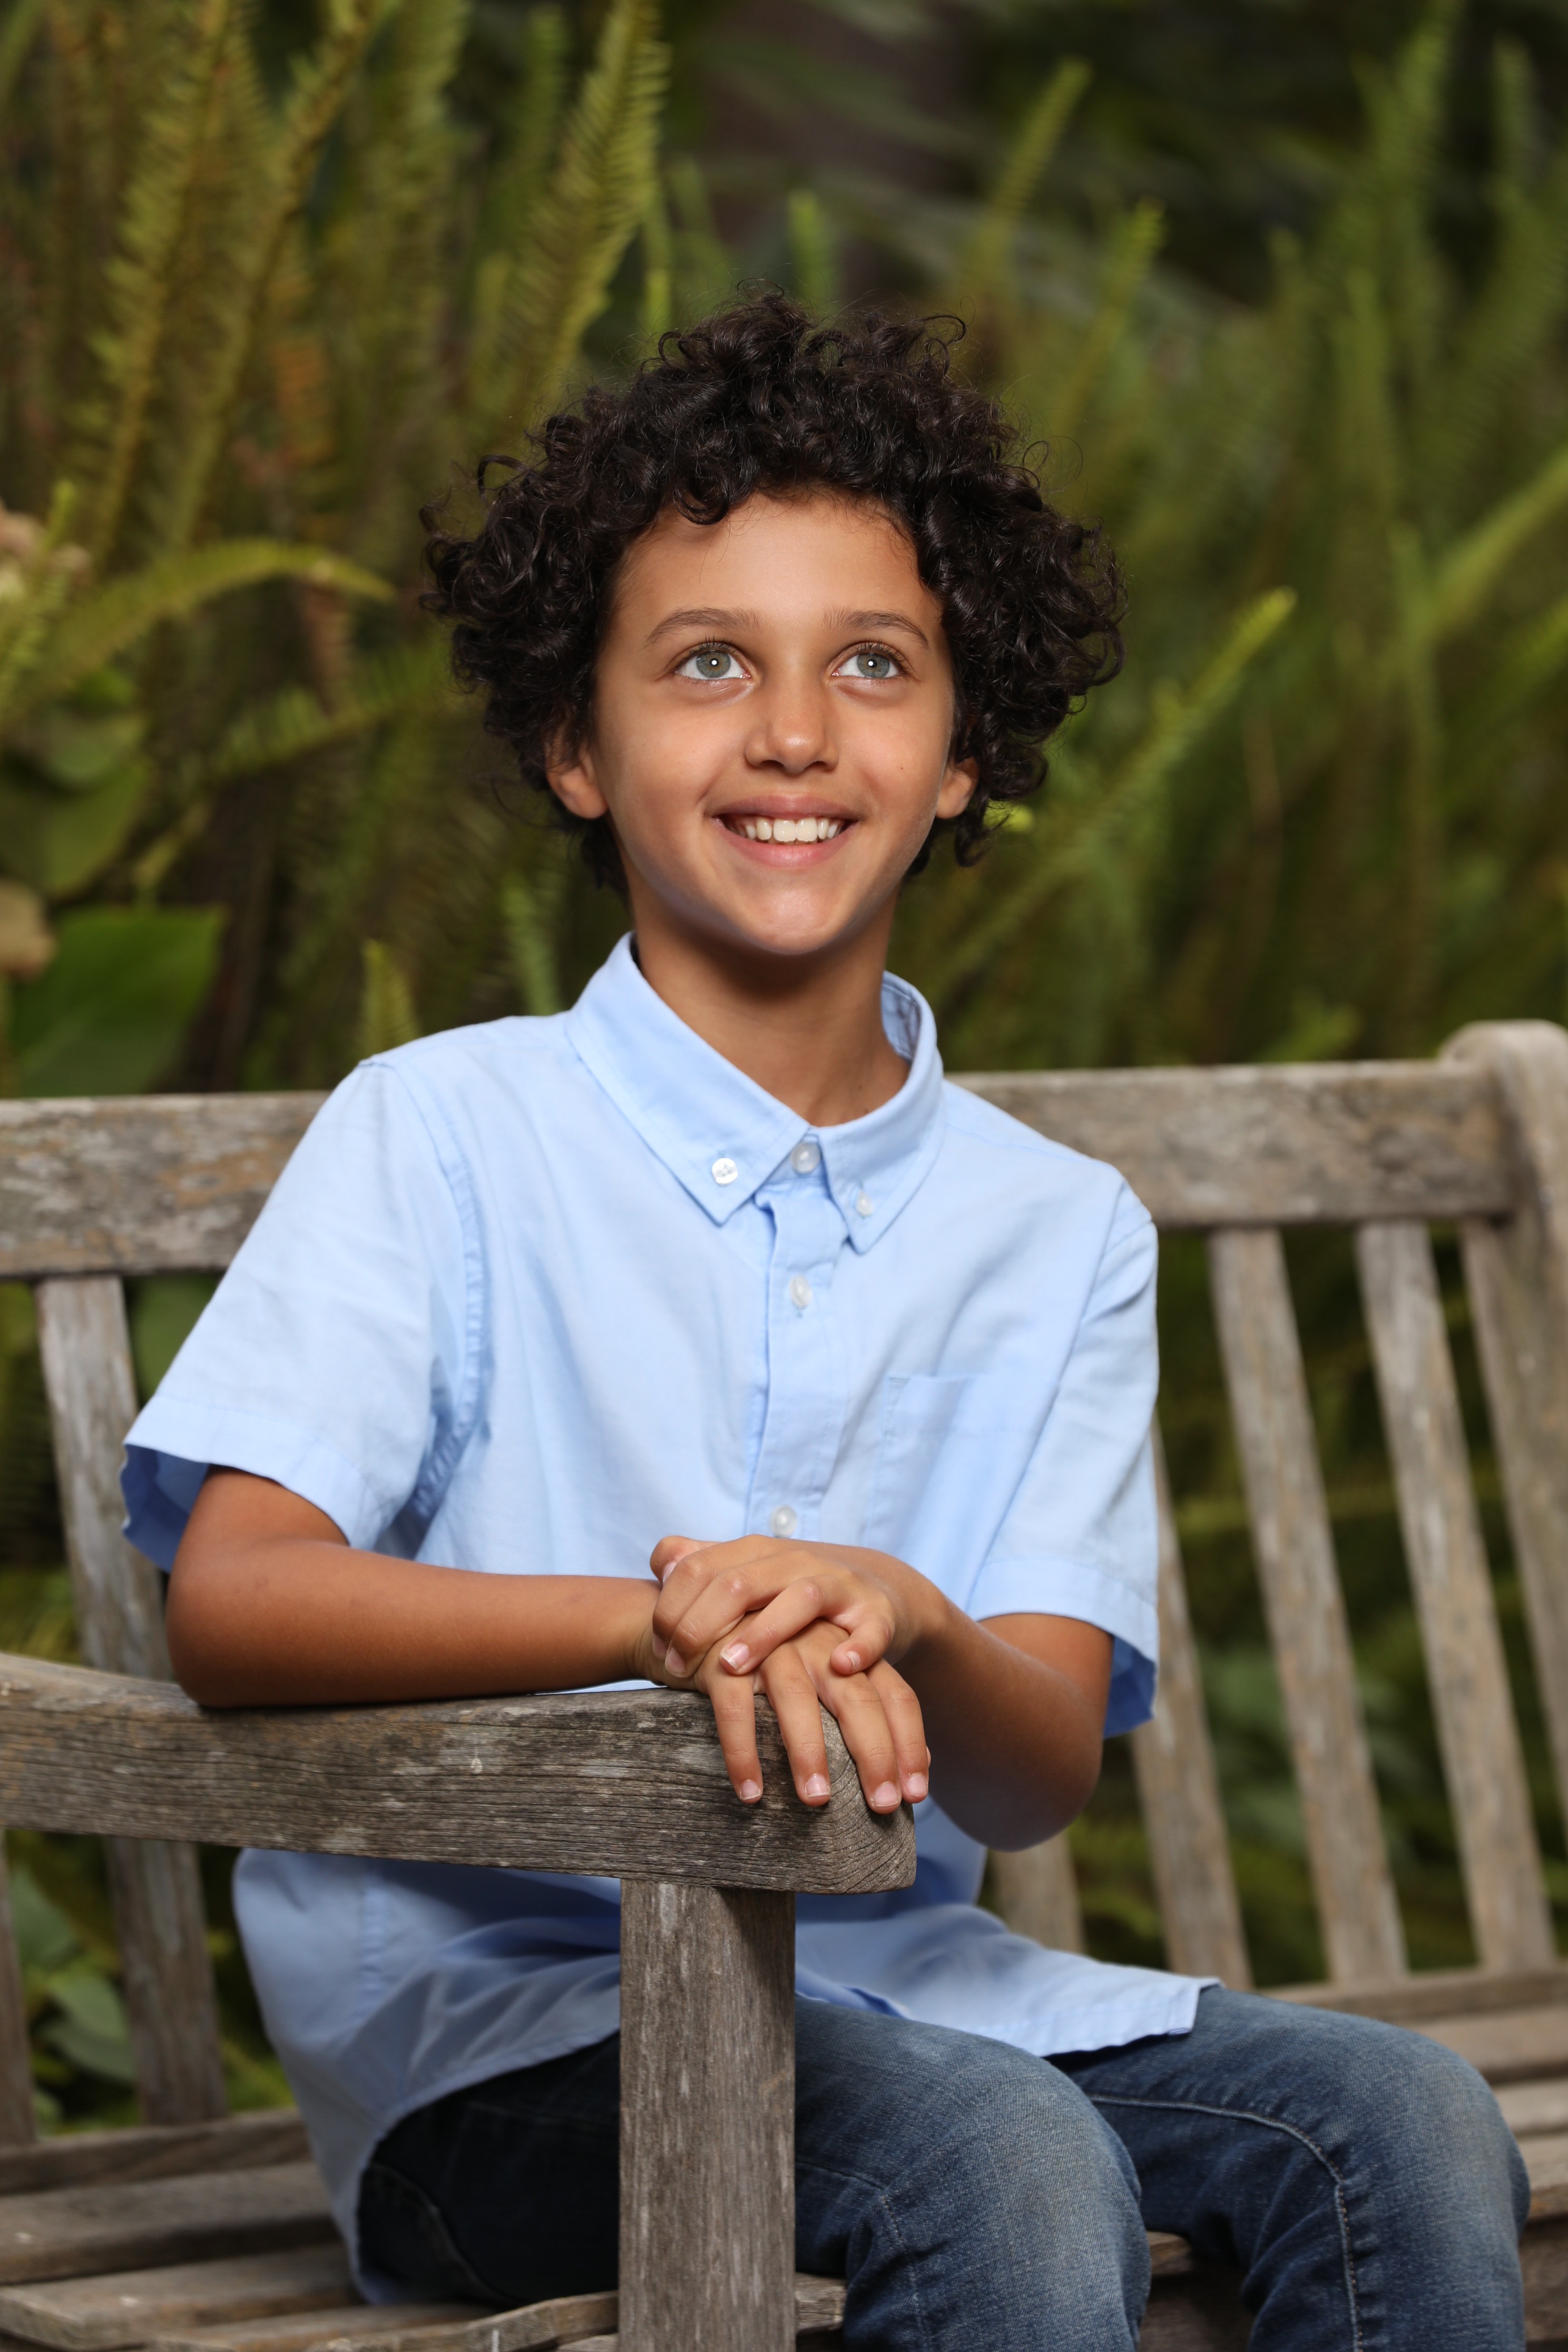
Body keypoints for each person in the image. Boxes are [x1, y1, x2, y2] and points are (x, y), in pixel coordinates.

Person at [123, 297, 1527, 2351]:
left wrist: (912, 1616)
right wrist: (664, 1620)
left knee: (1399, 2123)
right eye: (710, 663)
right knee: (1000, 2162)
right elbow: (234, 1604)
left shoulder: (1059, 1229)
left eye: (871, 664)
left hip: (910, 1993)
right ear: (577, 746)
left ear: (961, 758)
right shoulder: (443, 1133)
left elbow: (1032, 1775)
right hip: (499, 2047)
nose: (793, 732)